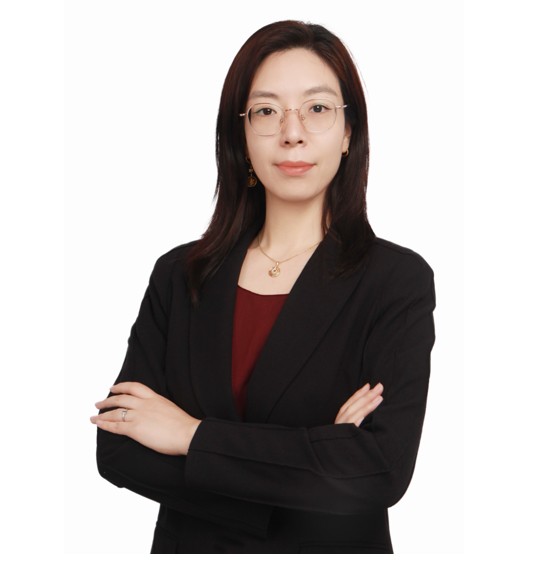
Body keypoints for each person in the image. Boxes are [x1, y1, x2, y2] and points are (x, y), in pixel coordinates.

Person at [91, 20, 436, 554]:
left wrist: (189, 436)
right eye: (267, 111)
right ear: (240, 135)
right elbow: (118, 449)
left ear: (349, 132)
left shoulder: (395, 281)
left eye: (317, 108)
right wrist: (315, 459)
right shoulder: (179, 275)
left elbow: (380, 471)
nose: (292, 132)